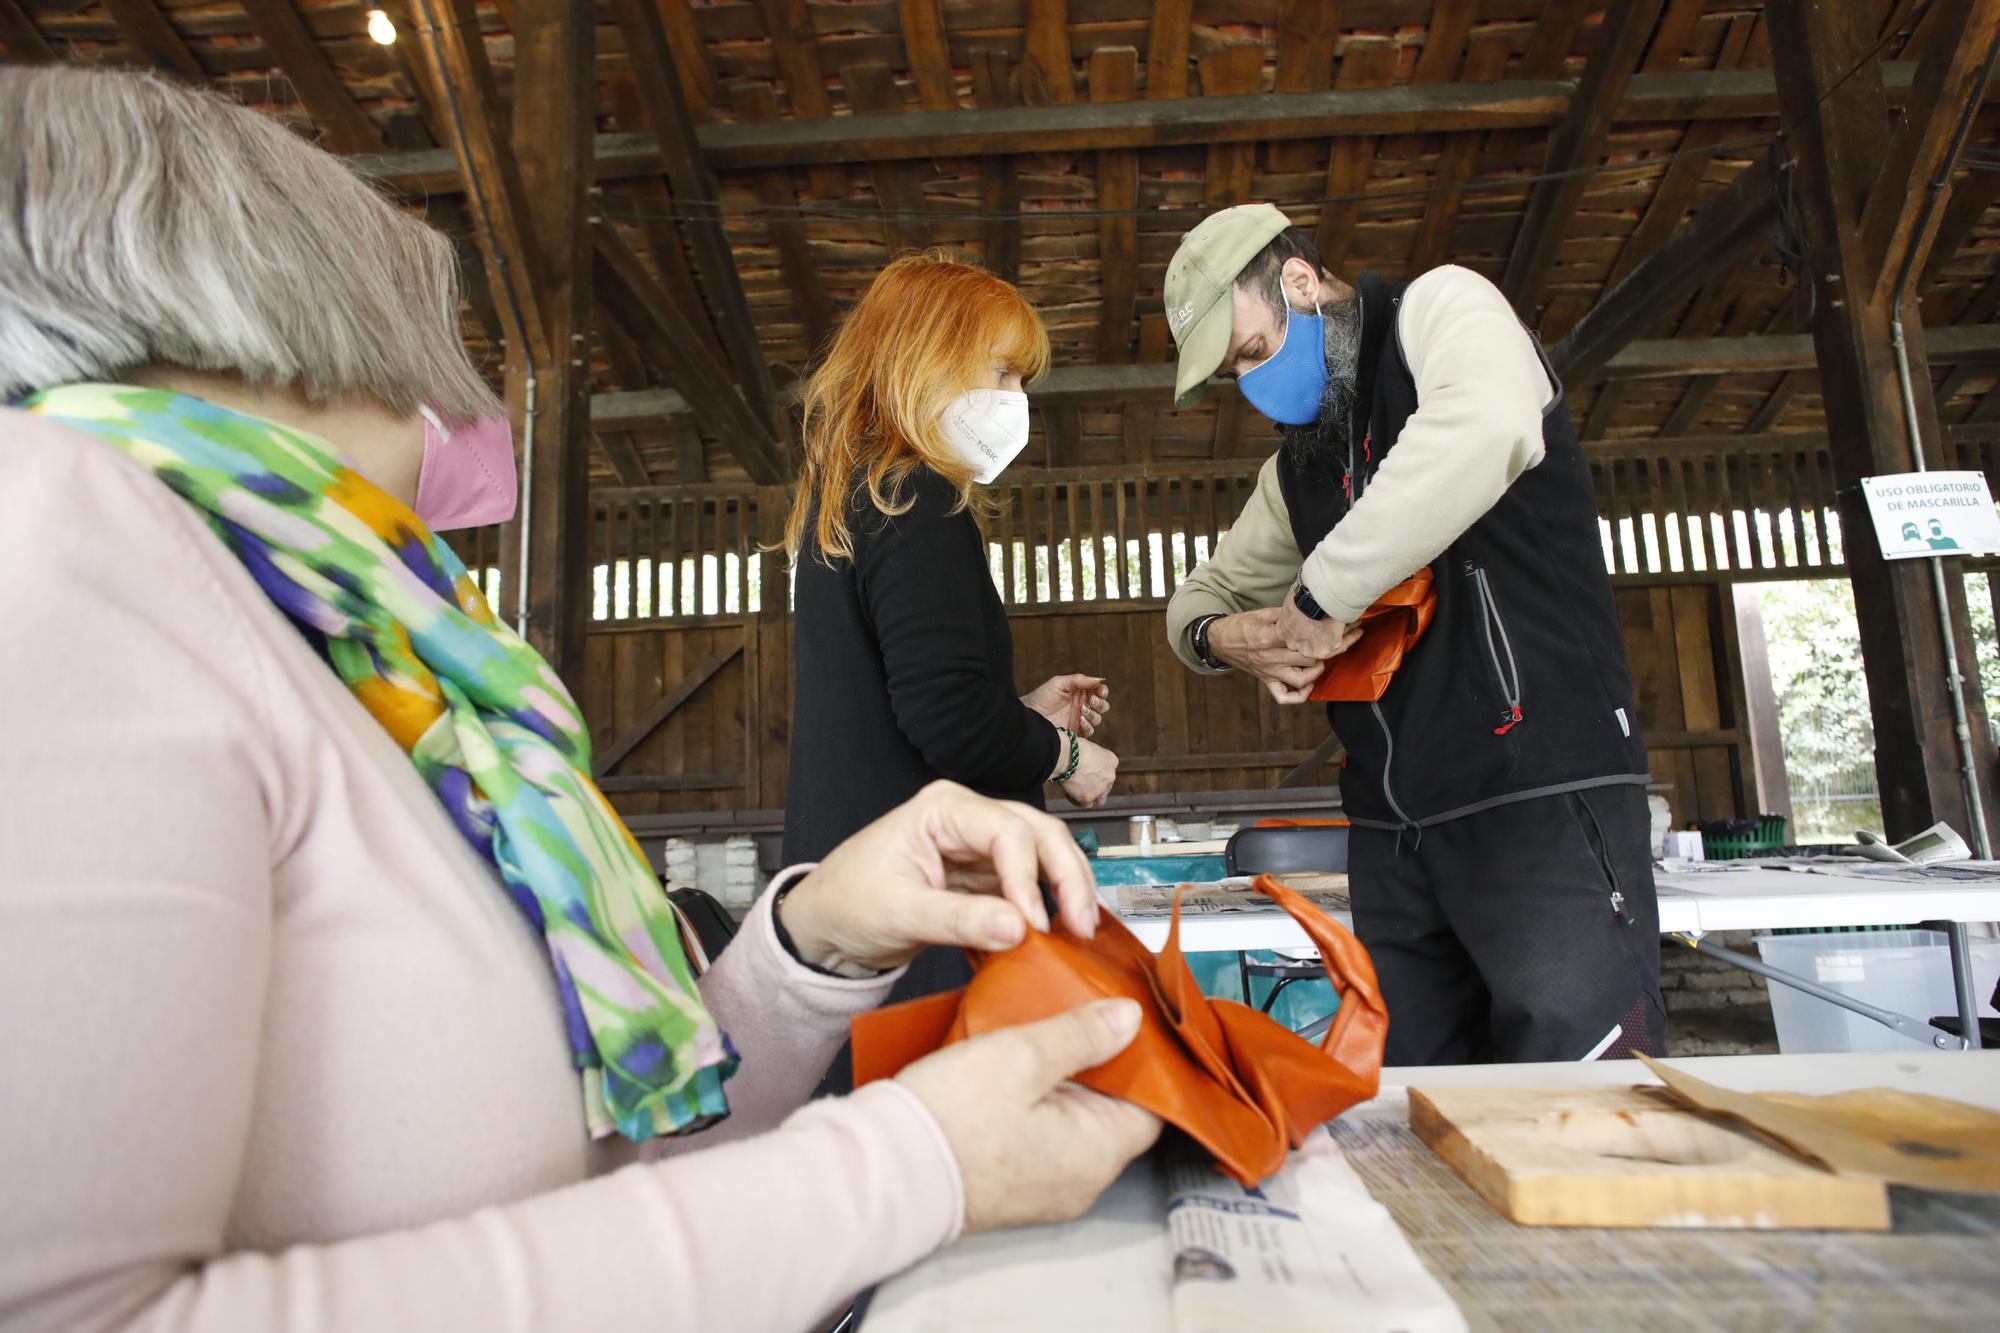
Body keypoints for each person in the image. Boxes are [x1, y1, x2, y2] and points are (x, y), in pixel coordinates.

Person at [0, 66, 1159, 1333]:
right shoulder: (65, 539)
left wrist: (806, 944)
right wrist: (901, 1167)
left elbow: (572, 1162)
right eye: (424, 335)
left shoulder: (359, 639)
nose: (456, 392)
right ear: (273, 305)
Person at [1161, 203, 1665, 1066]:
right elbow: (1198, 597)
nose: (1249, 384)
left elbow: (1488, 423)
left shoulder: (1441, 311)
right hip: (1395, 833)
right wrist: (1222, 638)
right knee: (1417, 1109)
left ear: (1298, 282)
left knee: (1584, 1096)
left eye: (1251, 351)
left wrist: (1320, 597)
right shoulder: (1299, 468)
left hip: (1537, 795)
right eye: (1232, 374)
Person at [782, 252, 1120, 1043]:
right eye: (1002, 373)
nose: (1017, 401)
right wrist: (1068, 756)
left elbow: (906, 703)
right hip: (924, 911)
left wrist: (1023, 713)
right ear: (928, 359)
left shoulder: (856, 496)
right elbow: (949, 719)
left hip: (856, 891)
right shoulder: (918, 496)